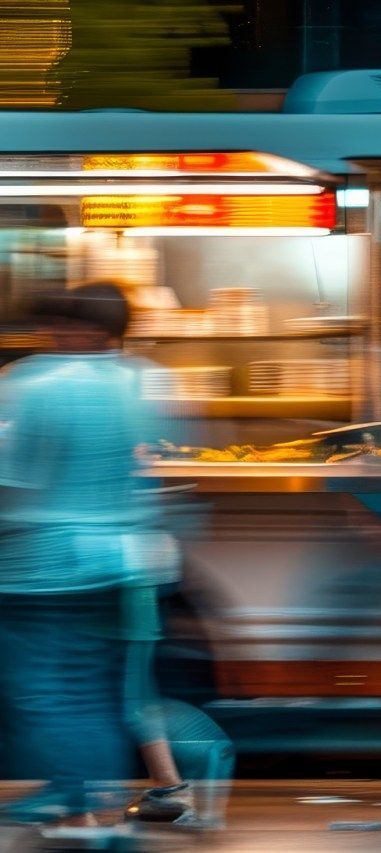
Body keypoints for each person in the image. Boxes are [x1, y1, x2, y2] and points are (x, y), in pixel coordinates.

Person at [0, 283, 159, 824]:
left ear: (83, 330)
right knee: (89, 690)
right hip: (114, 561)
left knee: (39, 690)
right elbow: (147, 460)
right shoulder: (135, 379)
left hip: (41, 566)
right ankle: (88, 800)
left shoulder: (32, 383)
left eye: (56, 326)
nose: (48, 335)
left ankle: (71, 799)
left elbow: (11, 479)